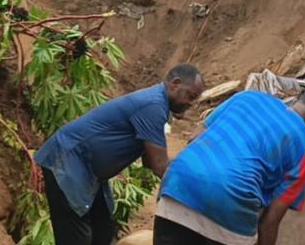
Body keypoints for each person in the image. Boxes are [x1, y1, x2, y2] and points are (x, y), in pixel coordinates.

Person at [35, 64, 205, 245]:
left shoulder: (157, 105)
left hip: (88, 170)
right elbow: (159, 165)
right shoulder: (153, 105)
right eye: (191, 96)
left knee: (103, 229)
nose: (191, 103)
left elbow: (149, 161)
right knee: (77, 236)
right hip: (68, 161)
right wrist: (195, 192)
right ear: (175, 84)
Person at [153, 85, 305, 245]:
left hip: (178, 183)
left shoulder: (248, 96)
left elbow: (195, 137)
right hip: (230, 207)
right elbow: (269, 222)